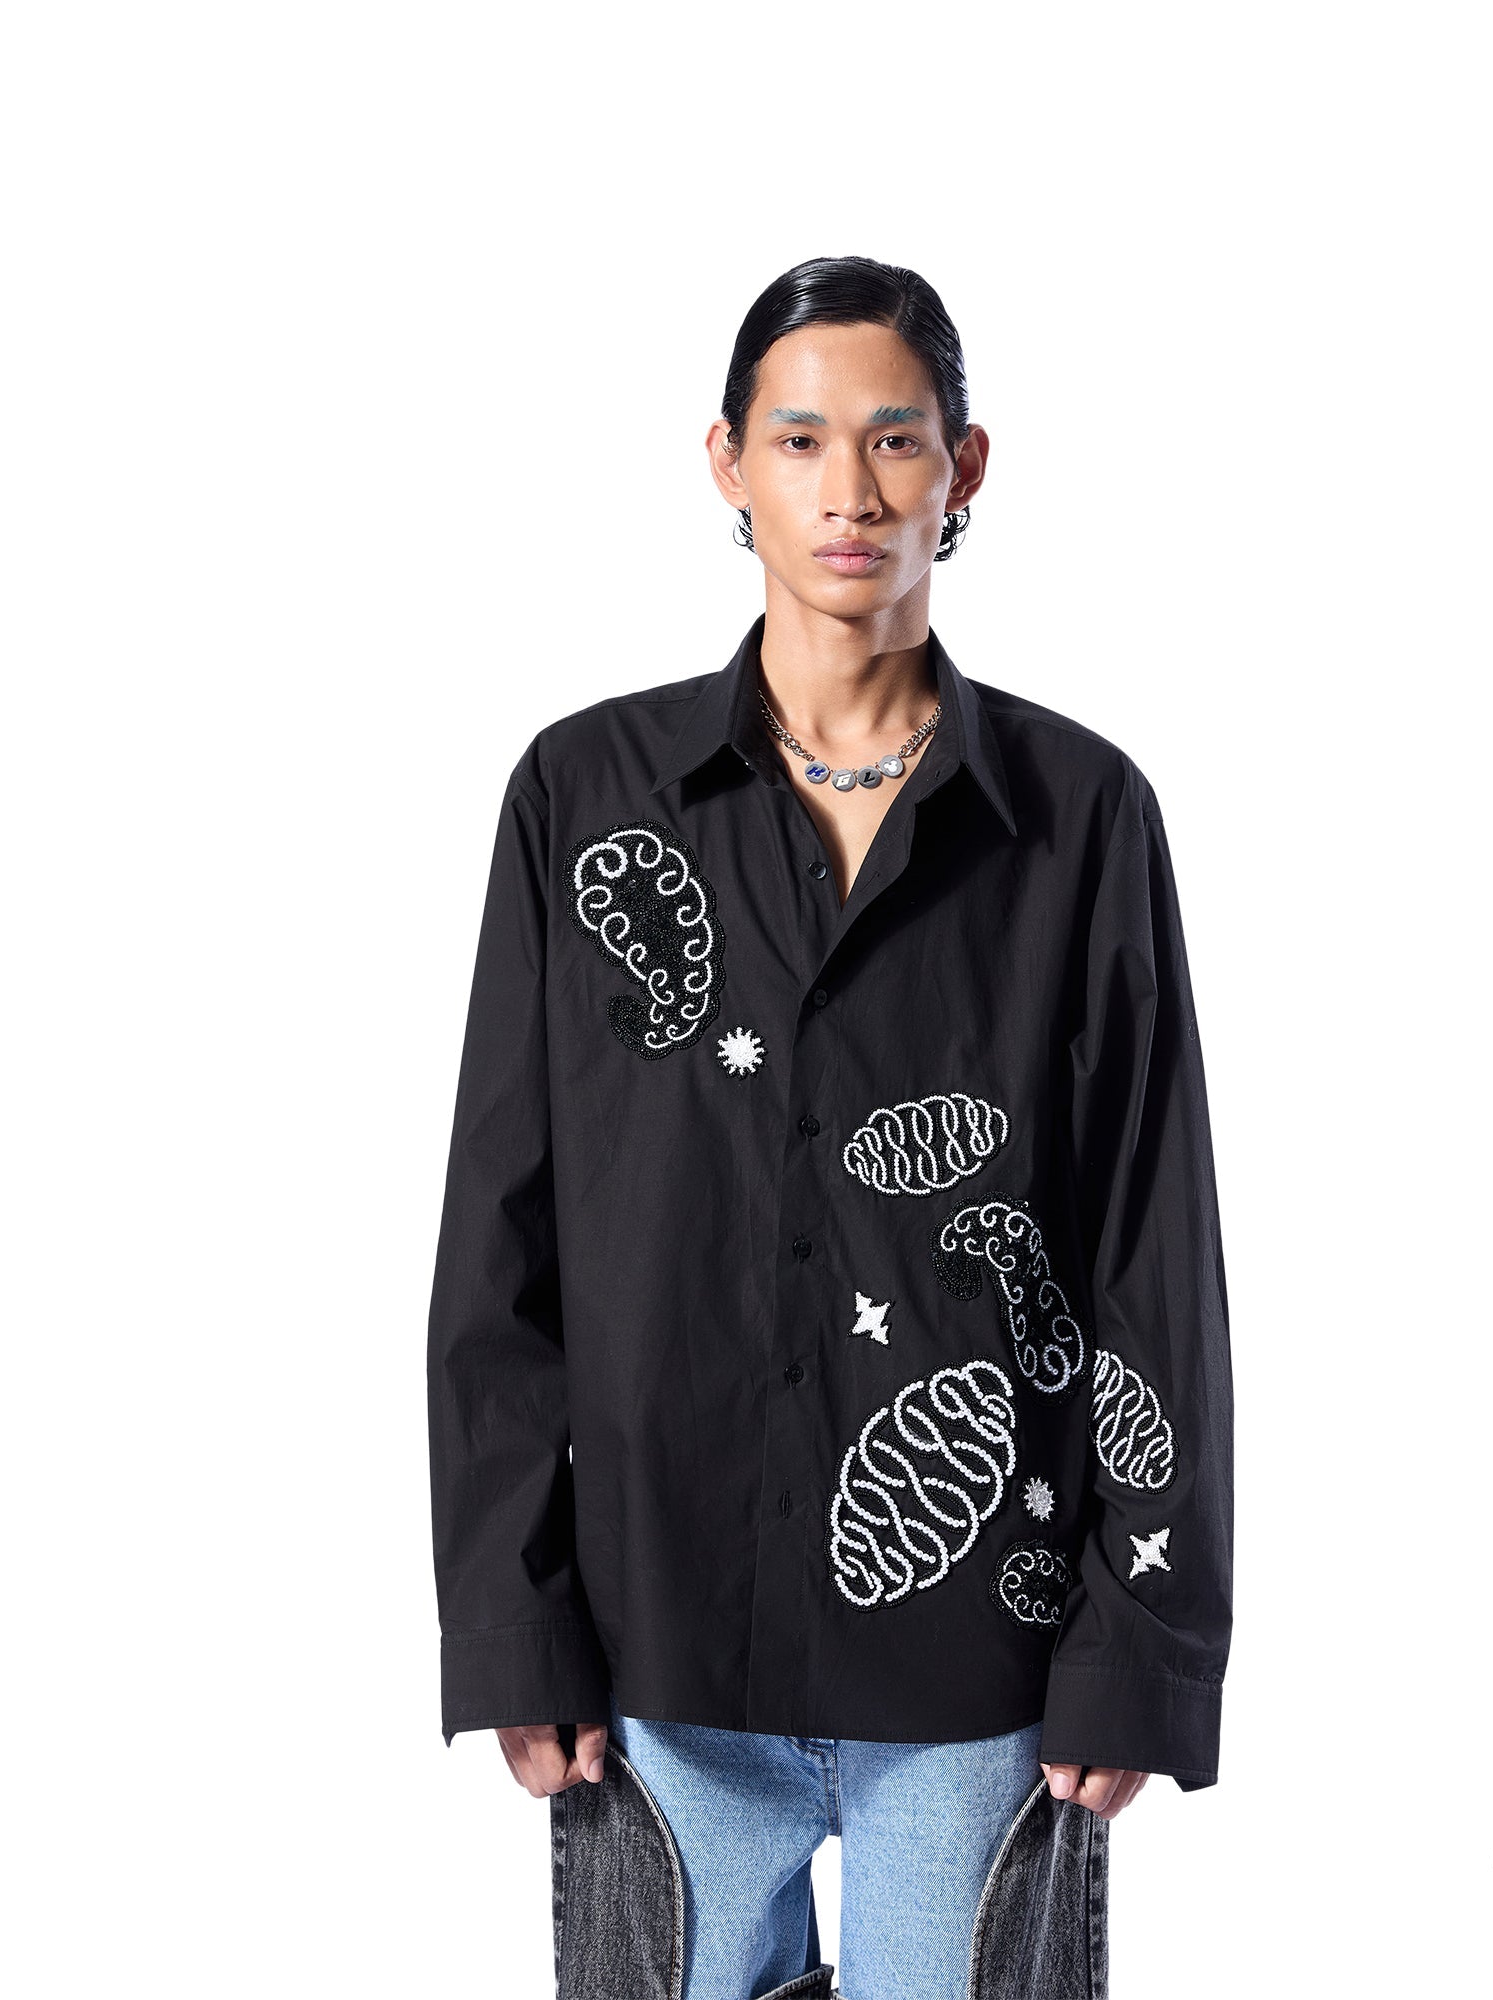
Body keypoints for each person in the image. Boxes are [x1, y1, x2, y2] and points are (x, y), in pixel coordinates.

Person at [426, 255, 1234, 2000]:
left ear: (966, 467)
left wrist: (1144, 1646)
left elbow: (1149, 1244)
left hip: (988, 1665)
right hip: (655, 1649)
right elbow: (502, 1232)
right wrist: (511, 1618)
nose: (850, 491)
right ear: (729, 462)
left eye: (895, 438)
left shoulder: (1081, 817)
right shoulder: (582, 795)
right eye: (800, 440)